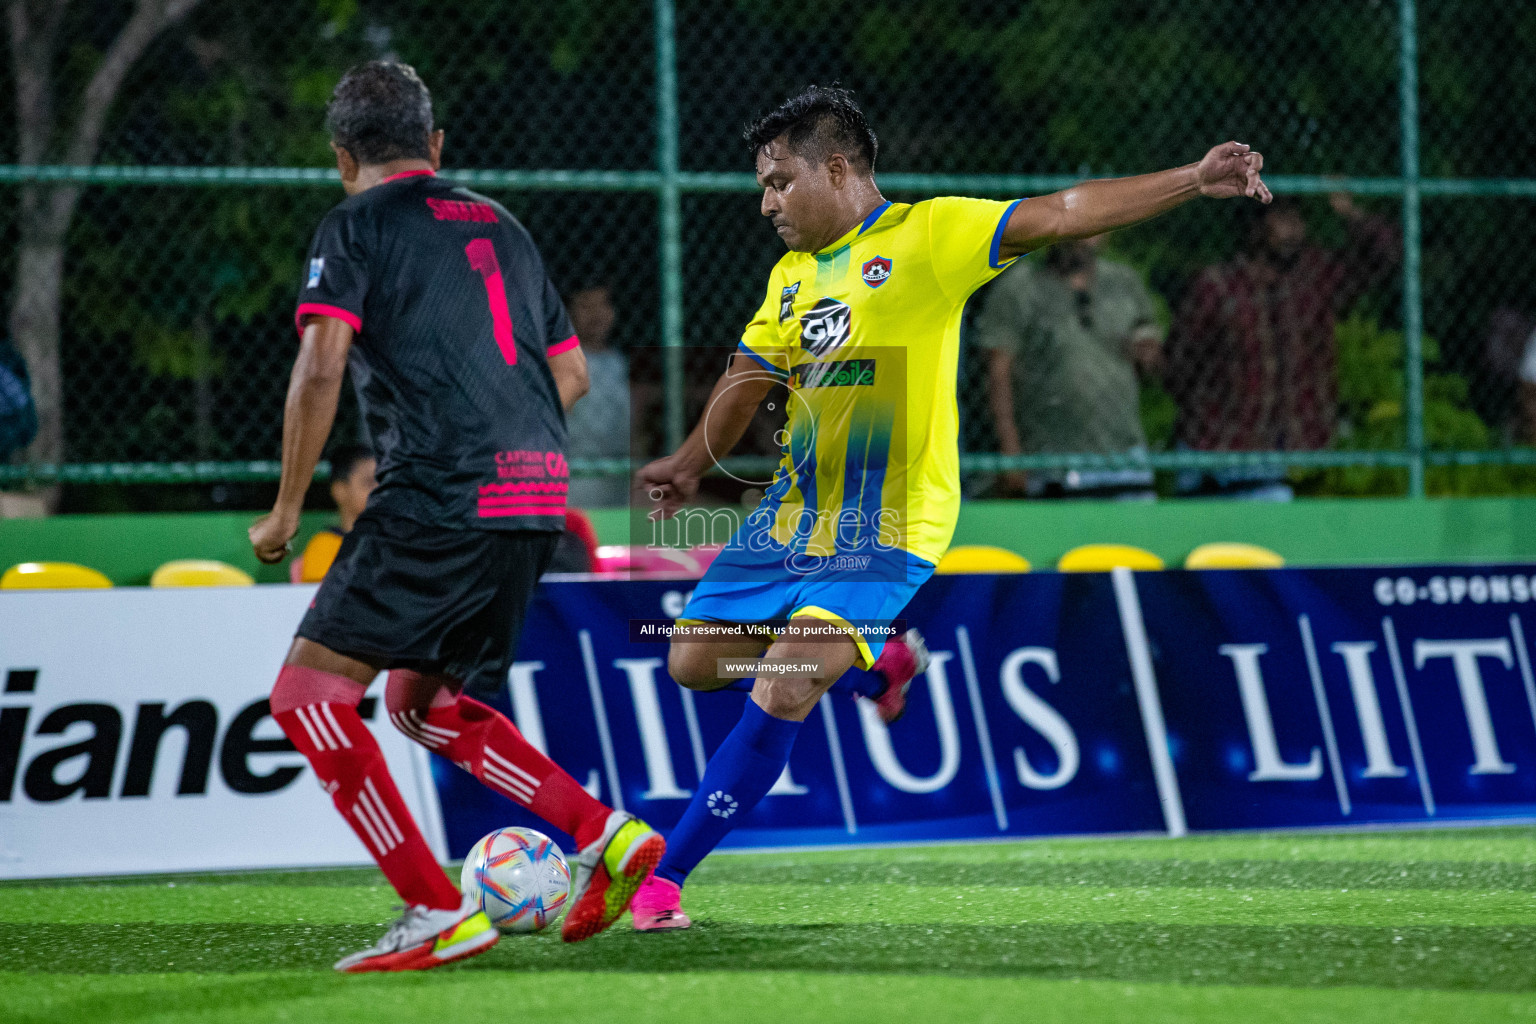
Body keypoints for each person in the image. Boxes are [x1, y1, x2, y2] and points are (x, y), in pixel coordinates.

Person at [629, 84, 1271, 930]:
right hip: (794, 511)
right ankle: (876, 666)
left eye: (780, 181)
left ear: (837, 166)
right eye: (762, 185)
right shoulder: (791, 275)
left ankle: (662, 878)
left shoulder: (929, 237)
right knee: (691, 663)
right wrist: (684, 463)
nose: (766, 202)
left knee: (783, 686)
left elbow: (1062, 212)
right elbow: (746, 379)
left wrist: (1192, 178)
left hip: (891, 518)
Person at [247, 61, 663, 973]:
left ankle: (434, 908)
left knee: (307, 698)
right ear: (435, 147)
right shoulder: (503, 226)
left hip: (440, 490)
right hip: (532, 498)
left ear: (341, 157)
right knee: (425, 704)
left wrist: (284, 510)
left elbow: (320, 368)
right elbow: (572, 374)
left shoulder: (351, 225)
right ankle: (605, 834)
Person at [1167, 193, 1399, 499]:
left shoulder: (1313, 280)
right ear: (1254, 227)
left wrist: (1350, 212)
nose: (1294, 228)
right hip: (1213, 446)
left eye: (1297, 218)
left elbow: (1386, 255)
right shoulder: (1217, 287)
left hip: (1276, 457)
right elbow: (1178, 362)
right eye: (1281, 218)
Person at [976, 235, 1163, 500]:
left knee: (1131, 540)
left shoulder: (1123, 282)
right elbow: (997, 372)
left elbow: (1150, 345)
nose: (1085, 238)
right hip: (1053, 458)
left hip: (1124, 454)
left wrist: (1148, 351)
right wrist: (1010, 451)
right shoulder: (1019, 287)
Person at [562, 283, 632, 508]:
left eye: (603, 304)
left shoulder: (617, 362)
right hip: (575, 474)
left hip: (617, 473)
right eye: (585, 305)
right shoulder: (560, 361)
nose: (596, 314)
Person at [292, 443, 376, 582]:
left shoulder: (390, 542)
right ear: (340, 490)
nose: (378, 489)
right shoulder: (324, 545)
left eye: (383, 482)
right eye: (369, 482)